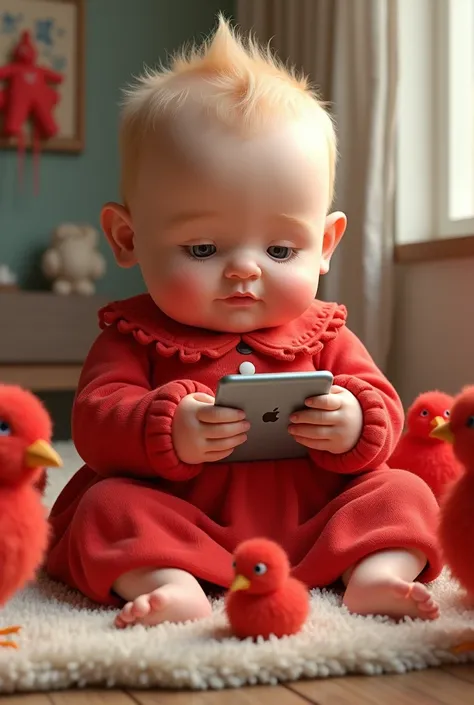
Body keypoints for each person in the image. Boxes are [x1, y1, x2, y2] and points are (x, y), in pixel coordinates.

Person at [46, 16, 442, 628]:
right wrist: (164, 430)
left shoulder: (325, 331)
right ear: (128, 237)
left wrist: (356, 420)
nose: (244, 272)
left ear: (327, 243)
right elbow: (96, 421)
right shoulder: (132, 334)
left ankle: (374, 573)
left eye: (280, 252)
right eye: (203, 249)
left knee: (405, 491)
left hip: (316, 517)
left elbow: (386, 412)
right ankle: (170, 581)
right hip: (182, 516)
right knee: (107, 507)